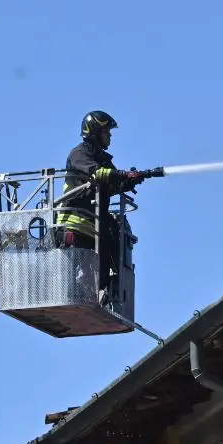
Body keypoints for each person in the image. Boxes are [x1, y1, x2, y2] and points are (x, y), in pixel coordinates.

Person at [57, 110, 147, 301]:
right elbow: (97, 173)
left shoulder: (103, 159)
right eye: (106, 131)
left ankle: (102, 294)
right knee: (71, 281)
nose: (110, 136)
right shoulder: (79, 154)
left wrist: (132, 180)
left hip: (95, 227)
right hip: (75, 224)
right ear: (94, 132)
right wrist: (122, 174)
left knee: (103, 269)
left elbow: (113, 183)